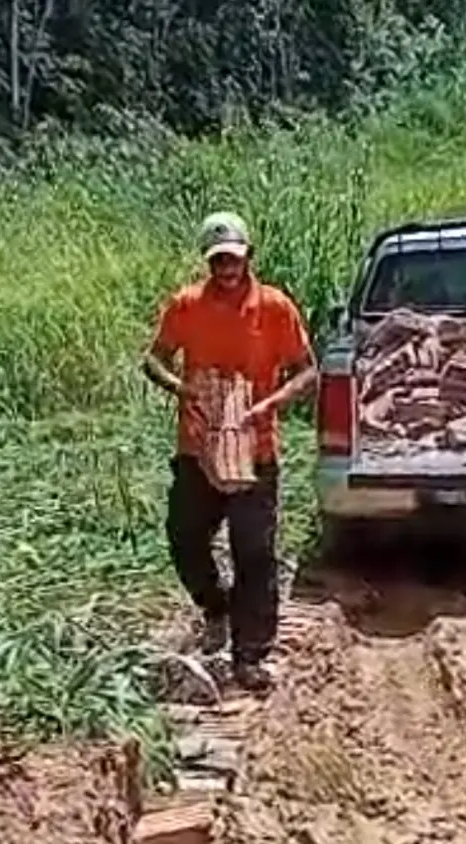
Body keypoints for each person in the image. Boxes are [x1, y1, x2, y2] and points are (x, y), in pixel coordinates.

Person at [142, 211, 317, 693]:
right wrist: (184, 390)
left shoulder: (276, 308)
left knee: (255, 552)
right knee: (184, 537)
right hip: (198, 448)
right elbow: (153, 359)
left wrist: (272, 403)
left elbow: (308, 371)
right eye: (218, 261)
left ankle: (250, 655)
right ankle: (214, 606)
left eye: (234, 260)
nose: (227, 270)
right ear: (208, 261)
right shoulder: (186, 305)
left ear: (249, 257)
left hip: (255, 448)